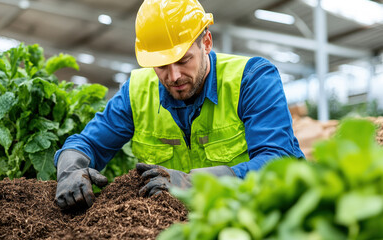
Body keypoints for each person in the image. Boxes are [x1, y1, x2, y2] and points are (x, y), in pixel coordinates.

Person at [54, 0, 305, 210]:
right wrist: (70, 170)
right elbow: (87, 143)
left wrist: (196, 183)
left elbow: (278, 161)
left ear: (206, 42)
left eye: (183, 60)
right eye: (161, 65)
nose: (173, 76)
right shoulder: (137, 91)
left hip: (251, 215)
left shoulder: (251, 79)